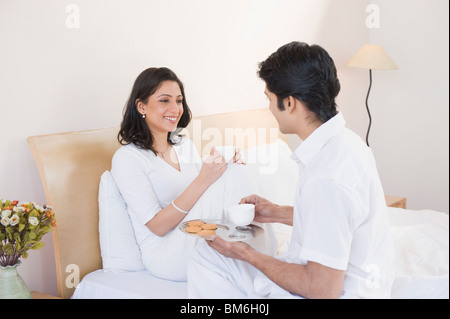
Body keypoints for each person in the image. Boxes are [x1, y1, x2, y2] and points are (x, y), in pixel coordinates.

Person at [187, 42, 395, 298]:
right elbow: (335, 219)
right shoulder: (347, 143)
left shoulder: (325, 176)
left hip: (335, 291)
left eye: (269, 99)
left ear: (289, 103)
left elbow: (322, 290)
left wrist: (245, 253)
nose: (269, 109)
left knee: (206, 255)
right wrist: (277, 212)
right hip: (370, 286)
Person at [111, 67, 255, 281]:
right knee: (231, 175)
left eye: (178, 101)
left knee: (234, 171)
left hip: (197, 236)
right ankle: (258, 257)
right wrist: (204, 178)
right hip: (165, 254)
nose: (175, 108)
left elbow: (206, 194)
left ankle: (256, 256)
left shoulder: (183, 145)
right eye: (164, 100)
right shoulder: (128, 158)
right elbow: (157, 227)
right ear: (141, 106)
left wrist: (221, 168)